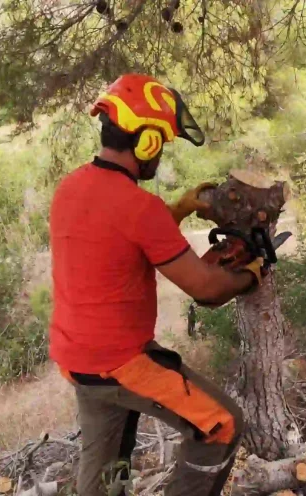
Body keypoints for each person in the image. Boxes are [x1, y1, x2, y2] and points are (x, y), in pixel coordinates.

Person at [49, 74, 264, 496]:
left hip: (78, 360)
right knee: (221, 425)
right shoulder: (138, 206)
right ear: (146, 142)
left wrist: (180, 208)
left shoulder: (70, 188)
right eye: (161, 142)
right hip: (121, 363)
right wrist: (250, 273)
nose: (160, 153)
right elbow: (206, 290)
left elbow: (118, 229)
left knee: (104, 477)